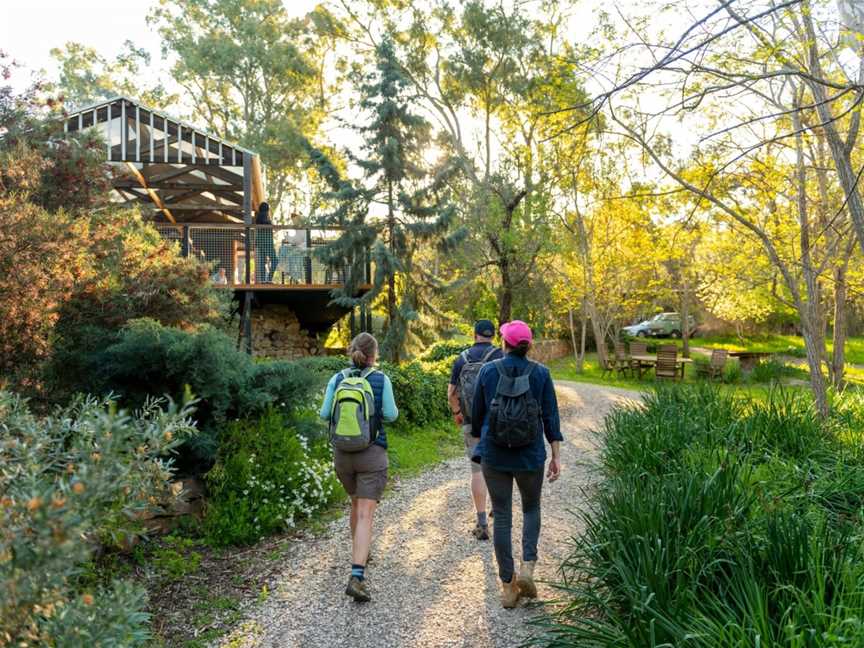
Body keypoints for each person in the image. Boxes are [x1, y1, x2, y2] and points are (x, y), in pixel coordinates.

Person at [470, 320, 563, 609]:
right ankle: (528, 568)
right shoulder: (541, 373)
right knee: (531, 508)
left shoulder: (487, 371)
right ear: (527, 345)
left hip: (495, 456)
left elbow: (476, 416)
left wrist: (480, 439)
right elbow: (551, 417)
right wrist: (556, 454)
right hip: (530, 456)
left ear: (504, 343)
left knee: (502, 514)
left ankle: (508, 586)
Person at [319, 333, 398, 603]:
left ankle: (359, 553)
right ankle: (357, 576)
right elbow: (391, 415)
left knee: (355, 505)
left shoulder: (337, 379)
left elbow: (324, 414)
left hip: (343, 455)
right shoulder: (381, 379)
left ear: (352, 352)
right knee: (365, 513)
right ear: (374, 354)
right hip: (372, 454)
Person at [447, 319, 503, 540]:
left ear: (475, 334)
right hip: (499, 421)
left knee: (477, 470)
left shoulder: (462, 359)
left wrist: (457, 413)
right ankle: (499, 513)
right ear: (492, 336)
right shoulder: (501, 356)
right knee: (498, 467)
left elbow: (451, 393)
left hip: (472, 421)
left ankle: (481, 523)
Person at [255, 201, 277, 283]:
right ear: (267, 209)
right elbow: (267, 228)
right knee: (275, 260)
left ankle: (264, 280)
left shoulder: (258, 218)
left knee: (262, 262)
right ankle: (269, 279)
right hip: (267, 243)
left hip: (260, 243)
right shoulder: (264, 217)